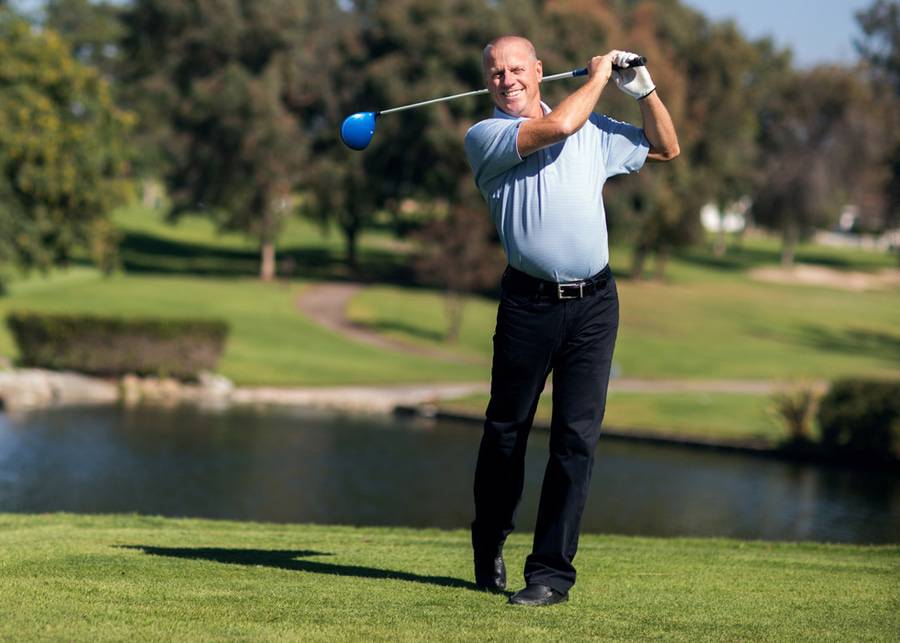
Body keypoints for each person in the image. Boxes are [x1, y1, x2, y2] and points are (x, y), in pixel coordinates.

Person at [464, 36, 679, 606]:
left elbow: (666, 147)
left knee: (575, 440)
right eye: (496, 73)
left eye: (516, 69)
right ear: (488, 82)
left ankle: (550, 575)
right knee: (506, 432)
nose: (506, 80)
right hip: (527, 305)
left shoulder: (594, 126)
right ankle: (489, 541)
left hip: (594, 306)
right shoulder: (486, 136)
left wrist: (644, 90)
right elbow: (557, 128)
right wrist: (601, 75)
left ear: (538, 71)